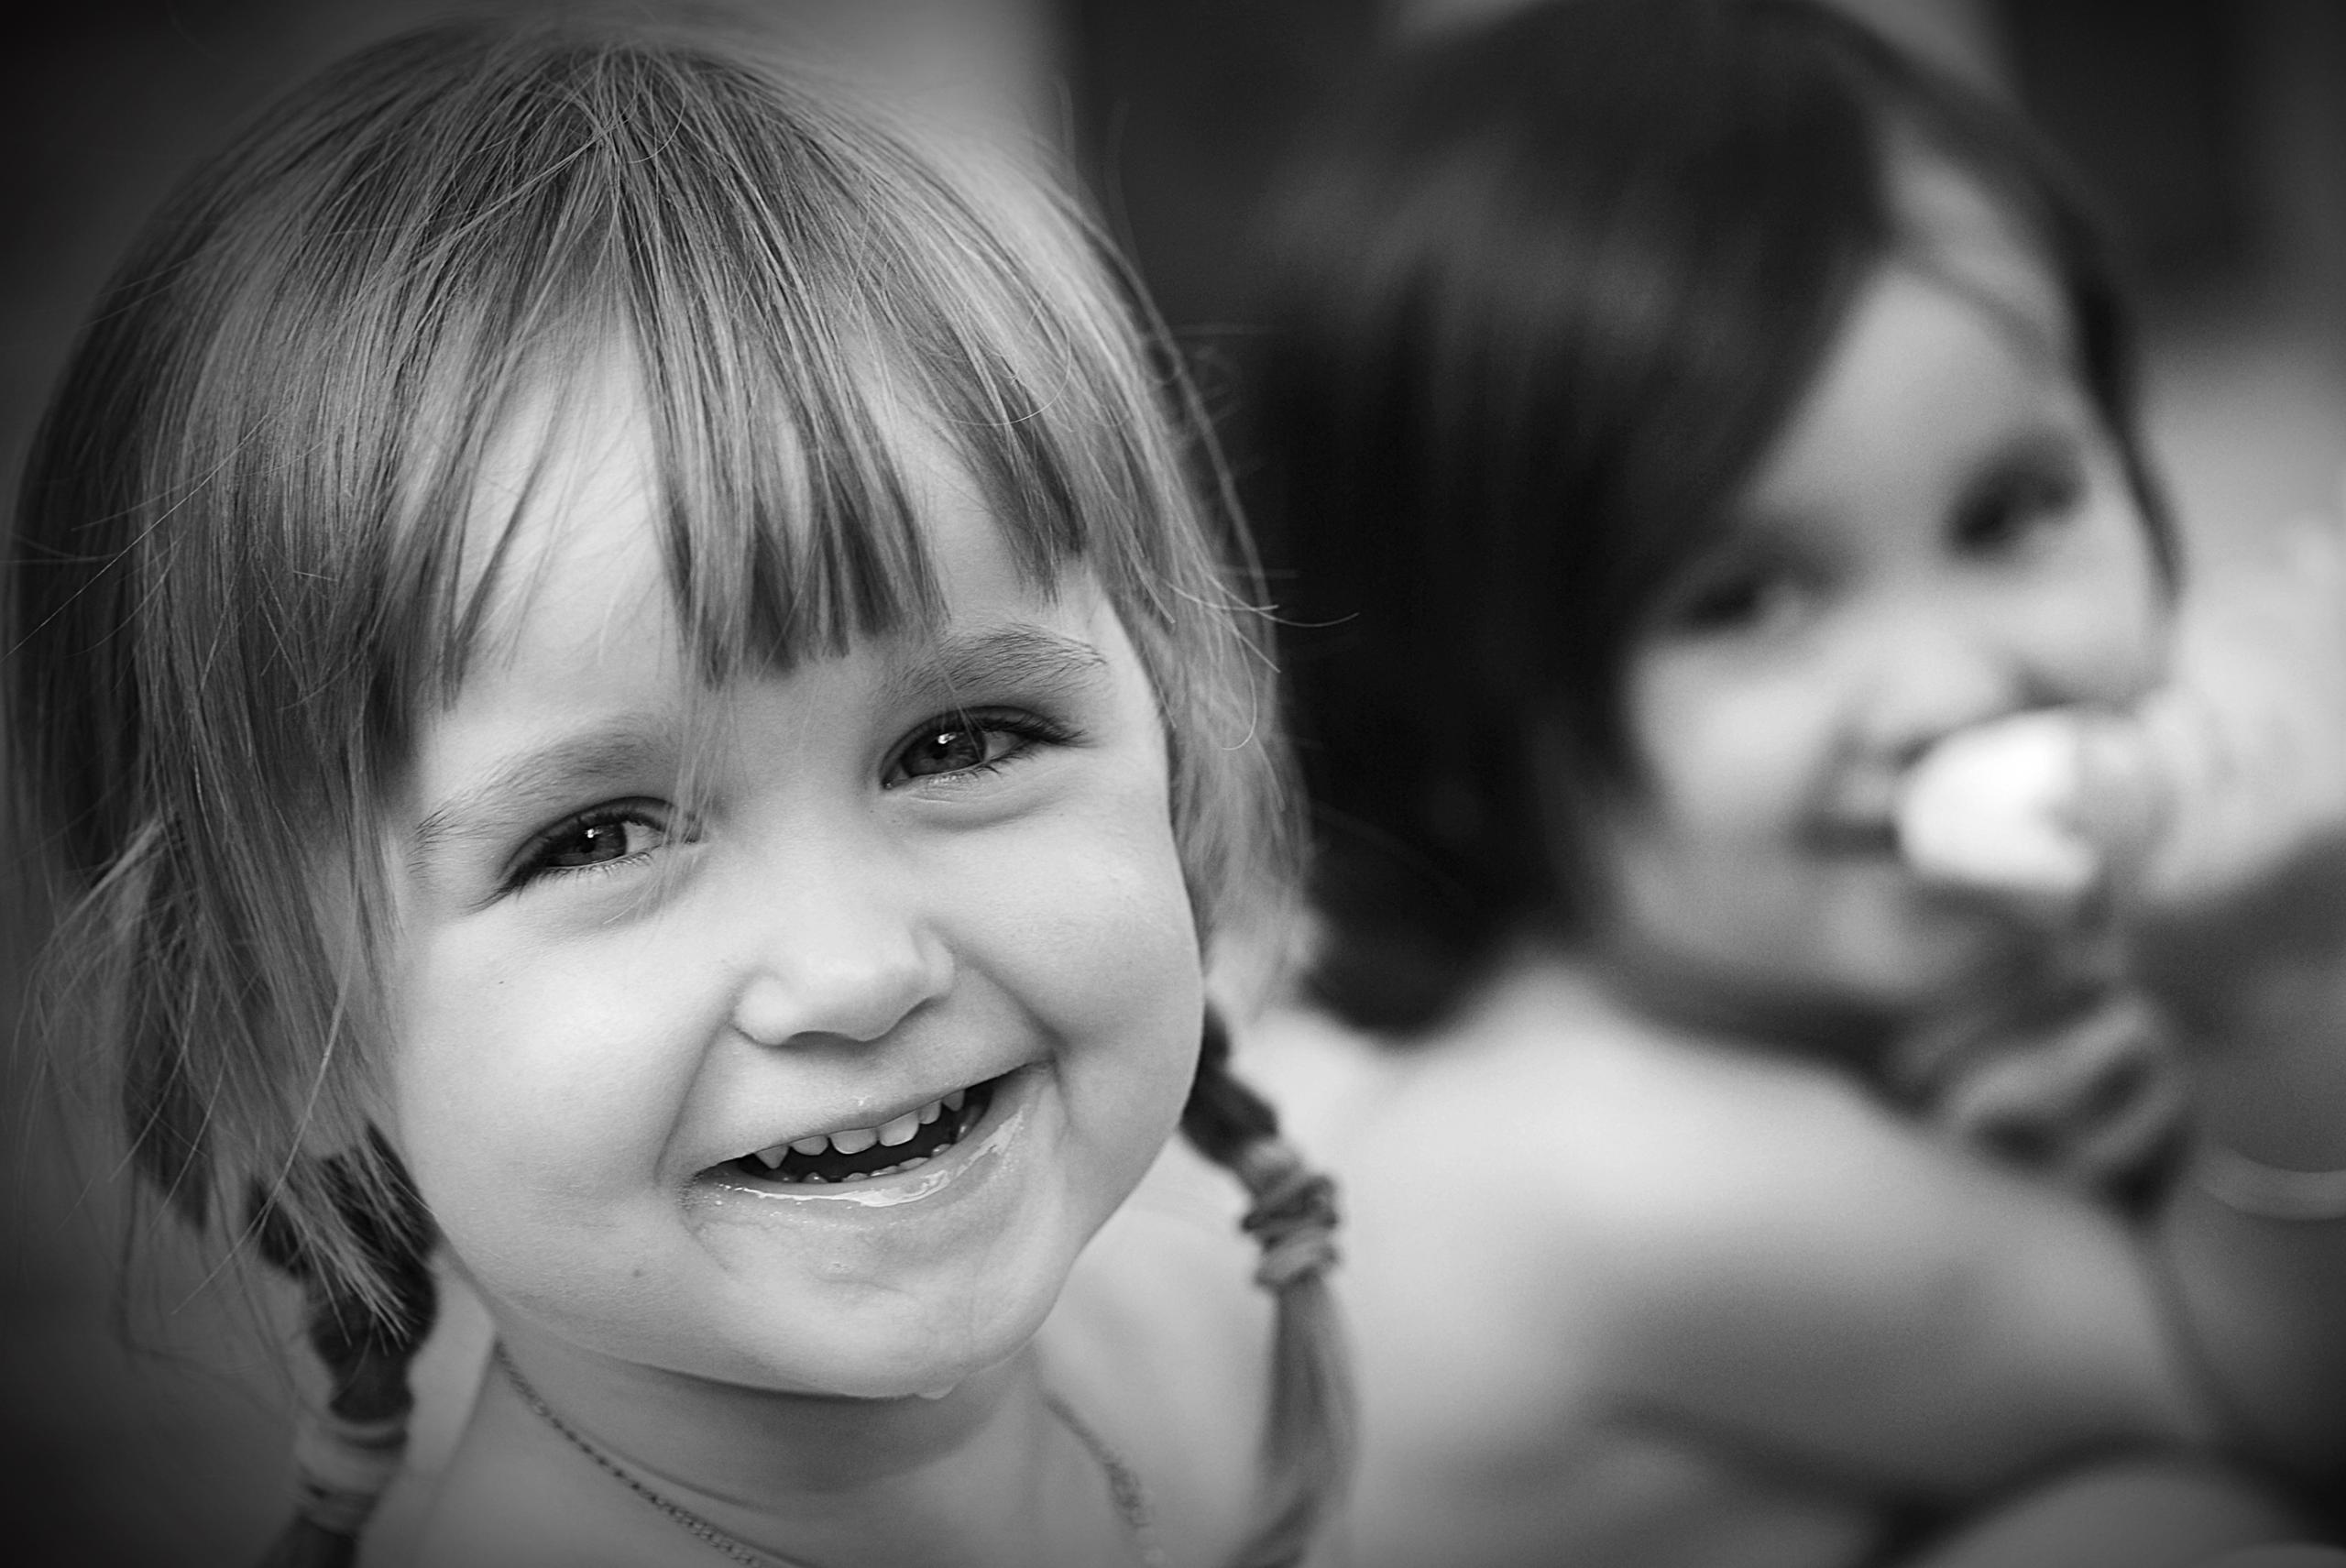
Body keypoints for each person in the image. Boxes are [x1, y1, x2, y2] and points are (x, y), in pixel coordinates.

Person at [5, 17, 1348, 1568]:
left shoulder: (1199, 1362)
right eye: (598, 836)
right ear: (263, 1025)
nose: (855, 971)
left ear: (1177, 745)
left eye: (962, 742)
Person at [1240, 1, 2346, 1564]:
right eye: (1743, 600)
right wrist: (2273, 1010)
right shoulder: (1623, 1168)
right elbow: (2284, 1403)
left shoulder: (1765, 963)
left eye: (2013, 508)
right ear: (1460, 732)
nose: (1952, 683)